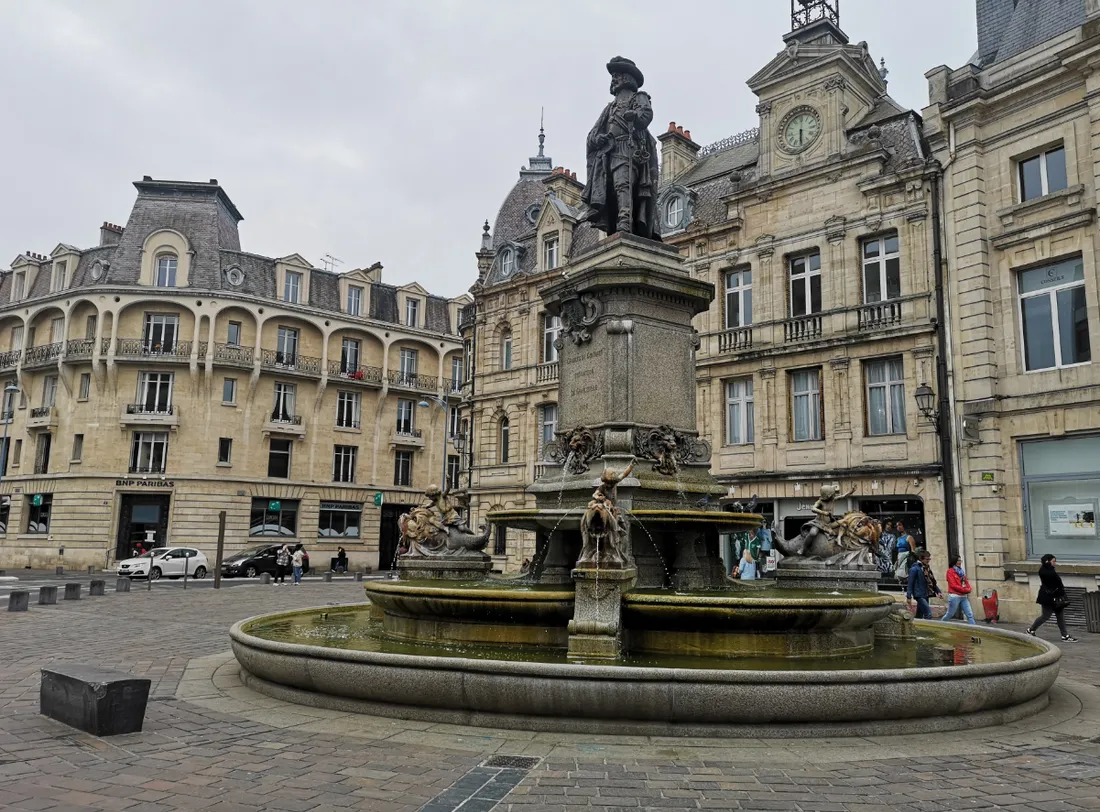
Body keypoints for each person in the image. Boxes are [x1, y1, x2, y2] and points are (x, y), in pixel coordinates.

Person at [581, 56, 660, 239]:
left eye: (617, 75)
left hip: (629, 148)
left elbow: (646, 115)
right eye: (613, 76)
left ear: (626, 78)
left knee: (622, 183)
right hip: (609, 153)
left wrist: (635, 116)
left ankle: (625, 220)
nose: (613, 79)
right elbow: (592, 134)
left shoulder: (639, 97)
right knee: (611, 190)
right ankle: (616, 224)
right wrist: (599, 138)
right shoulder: (610, 108)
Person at [1026, 554, 1079, 642]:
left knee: (1060, 617)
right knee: (1045, 616)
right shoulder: (1045, 571)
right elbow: (1054, 582)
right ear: (1048, 562)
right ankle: (1031, 630)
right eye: (1053, 561)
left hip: (1056, 597)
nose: (1054, 563)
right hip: (1048, 598)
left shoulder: (1049, 570)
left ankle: (1065, 635)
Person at [906, 550, 942, 620]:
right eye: (927, 559)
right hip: (919, 595)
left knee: (919, 614)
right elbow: (910, 583)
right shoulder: (914, 569)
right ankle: (928, 630)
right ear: (921, 558)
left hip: (926, 594)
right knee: (928, 614)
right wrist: (908, 596)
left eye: (929, 559)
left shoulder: (926, 568)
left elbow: (931, 582)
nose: (928, 560)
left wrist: (938, 591)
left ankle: (914, 627)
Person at [943, 555, 977, 624]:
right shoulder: (950, 571)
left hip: (963, 596)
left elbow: (966, 582)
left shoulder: (961, 571)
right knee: (950, 615)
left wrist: (969, 588)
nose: (960, 562)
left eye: (960, 560)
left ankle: (974, 631)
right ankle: (940, 626)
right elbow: (953, 585)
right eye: (958, 560)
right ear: (954, 561)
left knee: (970, 615)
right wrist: (965, 590)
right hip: (954, 596)